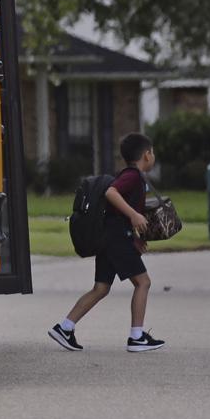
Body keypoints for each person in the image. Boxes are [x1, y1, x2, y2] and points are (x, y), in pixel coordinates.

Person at [48, 132, 165, 352]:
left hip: (111, 239)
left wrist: (136, 240)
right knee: (143, 283)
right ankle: (137, 337)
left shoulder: (133, 176)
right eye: (153, 152)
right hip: (116, 240)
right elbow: (112, 193)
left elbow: (114, 214)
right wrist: (134, 215)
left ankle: (64, 328)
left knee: (101, 288)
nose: (153, 156)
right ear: (147, 155)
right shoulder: (132, 175)